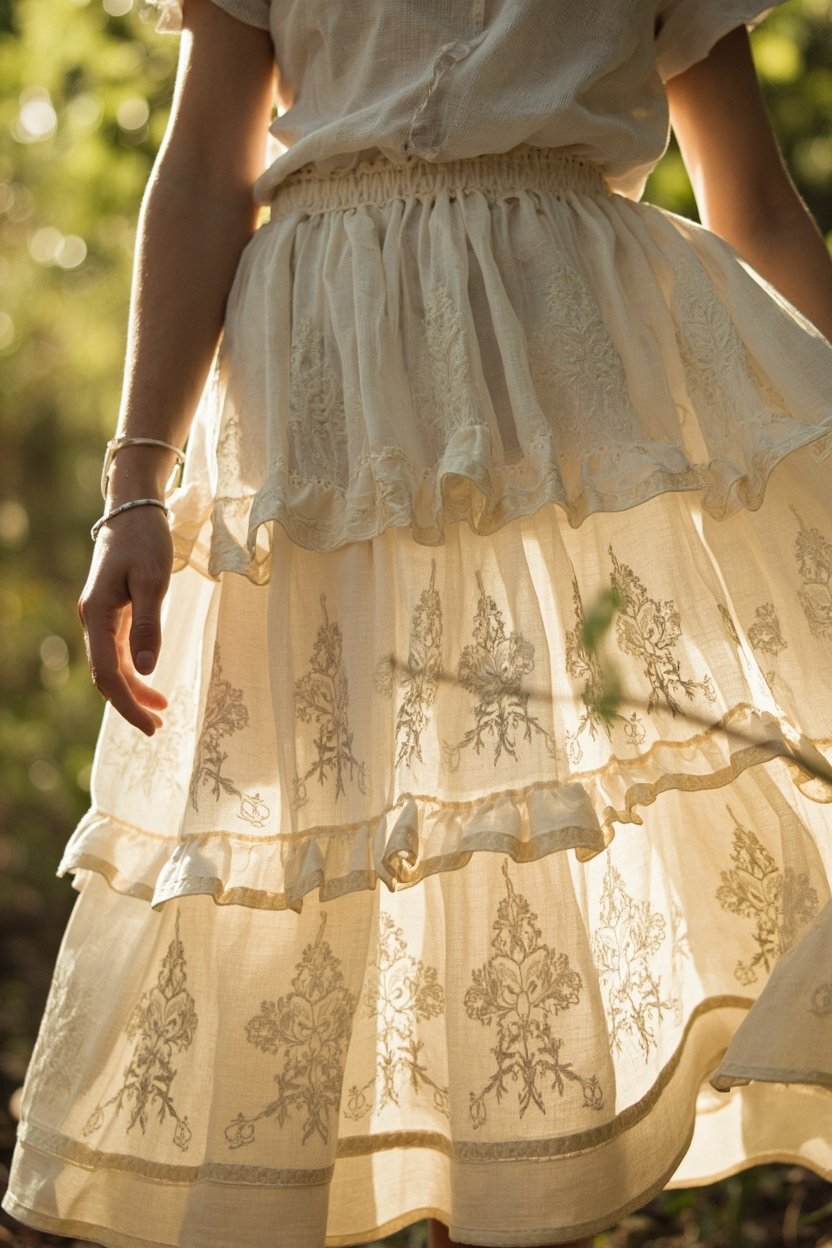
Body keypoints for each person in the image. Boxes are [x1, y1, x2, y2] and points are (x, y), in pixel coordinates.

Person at [4, 0, 832, 1245]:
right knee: (318, 835)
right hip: (328, 397)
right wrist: (136, 490)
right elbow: (199, 180)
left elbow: (754, 203)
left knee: (571, 821)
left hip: (576, 391)